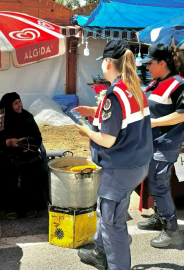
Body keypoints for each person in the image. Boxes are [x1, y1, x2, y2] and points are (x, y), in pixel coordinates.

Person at [74, 40, 153, 270]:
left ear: (108, 62)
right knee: (107, 211)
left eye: (103, 62)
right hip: (136, 165)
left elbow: (108, 139)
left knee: (112, 222)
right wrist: (92, 112)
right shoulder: (135, 88)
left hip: (119, 168)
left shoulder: (114, 95)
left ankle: (117, 263)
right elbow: (125, 121)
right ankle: (100, 251)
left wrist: (86, 130)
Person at [137, 44, 184, 248]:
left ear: (162, 63)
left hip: (165, 144)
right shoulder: (156, 83)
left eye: (150, 63)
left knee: (159, 186)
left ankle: (172, 232)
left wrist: (152, 123)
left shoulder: (180, 85)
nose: (147, 67)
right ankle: (160, 217)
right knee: (154, 183)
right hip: (151, 142)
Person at [0, 92, 47, 220]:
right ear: (8, 105)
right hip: (7, 154)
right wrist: (8, 143)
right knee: (6, 169)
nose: (20, 105)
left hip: (27, 154)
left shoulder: (27, 117)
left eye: (19, 101)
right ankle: (9, 207)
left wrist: (27, 143)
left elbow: (38, 137)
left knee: (32, 167)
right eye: (16, 103)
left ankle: (31, 206)